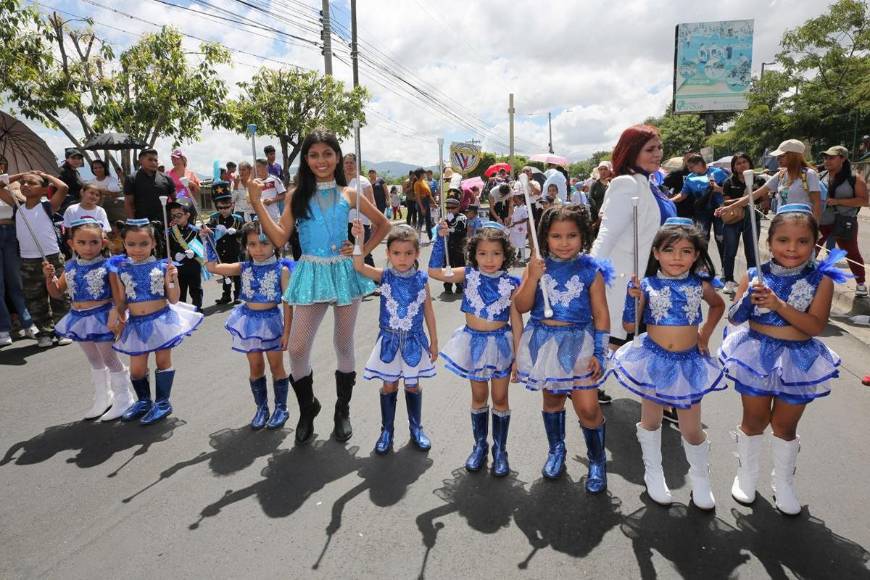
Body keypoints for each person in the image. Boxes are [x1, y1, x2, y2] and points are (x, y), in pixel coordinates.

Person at [247, 129, 390, 445]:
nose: (321, 160)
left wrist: (359, 251)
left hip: (343, 276)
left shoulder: (350, 194)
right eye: (314, 154)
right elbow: (280, 238)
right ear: (306, 160)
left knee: (343, 344)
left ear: (337, 157)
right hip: (310, 273)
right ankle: (307, 408)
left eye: (328, 153)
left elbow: (384, 225)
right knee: (297, 349)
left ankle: (342, 410)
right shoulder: (295, 195)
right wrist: (257, 204)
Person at [719, 204, 849, 515]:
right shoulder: (754, 275)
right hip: (757, 355)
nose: (792, 248)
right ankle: (746, 475)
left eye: (802, 241)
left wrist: (778, 305)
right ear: (769, 242)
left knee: (785, 425)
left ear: (815, 243)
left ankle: (784, 483)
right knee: (754, 420)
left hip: (799, 361)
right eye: (783, 240)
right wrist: (749, 299)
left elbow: (815, 326)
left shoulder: (822, 280)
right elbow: (735, 318)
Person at [613, 218, 726, 509]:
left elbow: (718, 305)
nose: (677, 257)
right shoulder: (647, 285)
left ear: (696, 255)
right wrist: (631, 297)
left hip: (688, 363)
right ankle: (653, 472)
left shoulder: (699, 284)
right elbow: (629, 324)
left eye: (686, 251)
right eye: (669, 250)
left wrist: (704, 334)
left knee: (690, 427)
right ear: (655, 253)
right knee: (652, 420)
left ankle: (700, 478)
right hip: (653, 360)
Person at [514, 206, 613, 492]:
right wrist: (532, 277)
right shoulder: (536, 266)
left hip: (579, 344)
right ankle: (556, 450)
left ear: (584, 235)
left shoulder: (590, 271)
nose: (564, 242)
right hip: (544, 344)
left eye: (572, 235)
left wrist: (600, 352)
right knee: (553, 401)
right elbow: (520, 306)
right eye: (556, 236)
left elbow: (601, 314)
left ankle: (597, 460)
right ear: (545, 236)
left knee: (588, 408)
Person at [428, 221, 523, 476]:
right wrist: (440, 239)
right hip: (474, 344)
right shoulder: (468, 274)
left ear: (506, 255)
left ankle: (500, 450)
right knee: (479, 397)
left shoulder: (512, 283)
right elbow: (435, 272)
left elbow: (516, 320)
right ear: (473, 254)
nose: (489, 259)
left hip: (502, 346)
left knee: (500, 398)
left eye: (496, 253)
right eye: (482, 253)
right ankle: (480, 445)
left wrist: (519, 356)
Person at [591, 124, 676, 405]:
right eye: (650, 149)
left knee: (647, 337)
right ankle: (588, 387)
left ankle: (660, 399)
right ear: (631, 152)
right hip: (625, 277)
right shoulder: (626, 183)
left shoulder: (648, 183)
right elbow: (607, 233)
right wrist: (589, 275)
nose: (658, 153)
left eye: (659, 148)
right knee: (617, 338)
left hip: (653, 274)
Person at [350, 223, 436, 454]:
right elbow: (358, 265)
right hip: (388, 341)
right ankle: (386, 430)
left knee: (412, 383)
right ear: (388, 254)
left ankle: (416, 428)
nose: (402, 258)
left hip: (414, 341)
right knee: (389, 384)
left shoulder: (421, 279)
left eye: (409, 253)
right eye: (396, 253)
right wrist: (358, 240)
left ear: (417, 254)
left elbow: (428, 311)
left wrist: (434, 342)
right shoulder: (384, 276)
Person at [108, 219, 203, 424]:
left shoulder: (163, 266)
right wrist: (117, 315)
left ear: (154, 244)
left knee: (162, 361)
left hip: (161, 321)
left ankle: (162, 402)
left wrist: (173, 278)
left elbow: (174, 298)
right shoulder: (121, 269)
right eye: (131, 244)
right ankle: (143, 401)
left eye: (143, 244)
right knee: (137, 369)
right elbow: (122, 301)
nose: (137, 249)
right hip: (136, 324)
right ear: (124, 244)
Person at [42, 218, 135, 421]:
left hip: (102, 316)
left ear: (102, 243)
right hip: (78, 318)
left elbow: (119, 296)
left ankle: (124, 397)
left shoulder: (108, 266)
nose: (88, 247)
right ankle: (103, 396)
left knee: (109, 358)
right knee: (93, 359)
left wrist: (116, 315)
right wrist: (50, 279)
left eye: (93, 242)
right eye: (82, 242)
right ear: (71, 244)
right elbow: (57, 293)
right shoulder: (70, 266)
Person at [204, 221, 294, 430]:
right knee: (255, 366)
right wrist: (206, 239)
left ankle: (281, 407)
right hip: (249, 323)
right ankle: (261, 408)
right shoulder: (243, 267)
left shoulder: (282, 269)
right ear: (245, 246)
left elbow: (289, 305)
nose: (258, 249)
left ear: (275, 245)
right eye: (252, 244)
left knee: (276, 366)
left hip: (272, 323)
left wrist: (287, 332)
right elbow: (213, 267)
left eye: (264, 243)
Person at [0, 171, 71, 348]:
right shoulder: (18, 207)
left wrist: (45, 174)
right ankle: (45, 331)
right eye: (24, 183)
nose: (25, 185)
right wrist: (21, 175)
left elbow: (63, 187)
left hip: (51, 256)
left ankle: (63, 330)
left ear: (44, 190)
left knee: (59, 295)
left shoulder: (48, 206)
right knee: (35, 298)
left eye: (32, 183)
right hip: (28, 260)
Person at [724, 139, 822, 221]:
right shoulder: (781, 174)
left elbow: (817, 204)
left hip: (803, 224)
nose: (777, 159)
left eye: (781, 156)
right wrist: (730, 207)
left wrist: (814, 229)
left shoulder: (809, 174)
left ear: (793, 155)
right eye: (777, 156)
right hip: (783, 223)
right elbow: (755, 194)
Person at [817, 145, 867, 296]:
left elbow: (864, 201)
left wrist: (838, 201)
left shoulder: (854, 178)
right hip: (822, 222)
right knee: (810, 250)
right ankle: (805, 280)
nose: (827, 160)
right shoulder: (821, 176)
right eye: (825, 157)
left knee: (851, 253)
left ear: (843, 158)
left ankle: (861, 284)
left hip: (844, 221)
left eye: (831, 157)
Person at [720, 153, 768, 295]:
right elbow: (726, 201)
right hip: (733, 220)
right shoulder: (729, 182)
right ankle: (728, 280)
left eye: (744, 162)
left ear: (750, 163)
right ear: (734, 167)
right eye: (738, 163)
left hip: (753, 219)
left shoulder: (759, 180)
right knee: (730, 251)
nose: (741, 165)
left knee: (752, 252)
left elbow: (765, 200)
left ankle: (752, 281)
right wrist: (747, 198)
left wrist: (761, 203)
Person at [0, 167, 36, 346]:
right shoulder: (14, 179)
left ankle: (28, 323)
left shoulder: (14, 183)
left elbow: (22, 204)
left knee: (16, 282)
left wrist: (11, 184)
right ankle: (3, 329)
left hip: (11, 231)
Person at [670, 154, 727, 263]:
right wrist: (668, 201)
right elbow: (683, 195)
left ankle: (725, 269)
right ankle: (702, 266)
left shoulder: (718, 173)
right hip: (702, 212)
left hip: (719, 210)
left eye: (691, 167)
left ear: (700, 163)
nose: (689, 169)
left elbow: (729, 191)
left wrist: (718, 189)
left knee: (721, 239)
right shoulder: (690, 177)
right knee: (702, 239)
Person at [206, 182, 245, 305]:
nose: (223, 210)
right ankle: (226, 295)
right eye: (220, 208)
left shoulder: (237, 219)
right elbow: (209, 230)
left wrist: (236, 232)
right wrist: (208, 229)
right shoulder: (214, 218)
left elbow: (244, 233)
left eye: (226, 207)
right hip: (221, 250)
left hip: (234, 249)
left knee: (237, 273)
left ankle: (238, 295)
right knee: (224, 273)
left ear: (232, 205)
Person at [166, 200, 205, 311]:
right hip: (178, 266)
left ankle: (197, 308)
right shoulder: (169, 232)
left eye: (179, 215)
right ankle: (182, 309)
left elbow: (202, 249)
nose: (175, 218)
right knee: (180, 289)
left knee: (195, 289)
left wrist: (194, 252)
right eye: (173, 216)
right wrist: (174, 254)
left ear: (187, 215)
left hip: (193, 265)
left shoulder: (196, 231)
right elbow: (167, 249)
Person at [124, 149, 175, 224]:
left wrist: (175, 220)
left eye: (155, 160)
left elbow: (175, 200)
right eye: (150, 160)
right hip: (142, 224)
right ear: (141, 161)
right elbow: (129, 203)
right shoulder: (131, 179)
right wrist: (133, 224)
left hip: (165, 224)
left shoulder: (167, 178)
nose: (154, 163)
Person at [345, 154, 376, 268]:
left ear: (356, 164)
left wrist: (374, 222)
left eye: (351, 163)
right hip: (343, 223)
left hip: (361, 223)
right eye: (346, 163)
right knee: (347, 253)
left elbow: (372, 203)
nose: (349, 165)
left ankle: (374, 281)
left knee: (363, 252)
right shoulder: (339, 181)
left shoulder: (363, 181)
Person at [441, 197, 467, 294]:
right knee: (447, 265)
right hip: (448, 245)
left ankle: (459, 286)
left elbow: (461, 231)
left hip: (458, 246)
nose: (450, 210)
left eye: (453, 208)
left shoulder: (462, 218)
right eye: (448, 208)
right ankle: (447, 286)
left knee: (458, 266)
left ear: (458, 208)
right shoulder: (448, 217)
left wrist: (449, 230)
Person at [255, 158, 286, 223]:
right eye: (255, 167)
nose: (256, 169)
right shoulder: (254, 182)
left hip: (273, 216)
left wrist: (272, 200)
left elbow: (283, 195)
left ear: (265, 167)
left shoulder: (274, 179)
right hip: (260, 216)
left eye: (258, 166)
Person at [58, 148, 84, 212]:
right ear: (67, 159)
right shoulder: (62, 171)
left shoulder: (76, 172)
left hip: (76, 203)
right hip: (66, 206)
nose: (77, 160)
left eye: (79, 158)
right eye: (73, 158)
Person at [507, 187, 529, 263]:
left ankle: (522, 258)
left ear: (521, 199)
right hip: (513, 228)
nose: (515, 201)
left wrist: (516, 223)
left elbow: (526, 218)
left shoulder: (524, 208)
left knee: (521, 243)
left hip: (520, 229)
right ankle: (512, 257)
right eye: (514, 199)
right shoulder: (515, 208)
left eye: (516, 199)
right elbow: (511, 216)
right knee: (513, 242)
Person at [414, 168, 434, 243]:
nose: (425, 174)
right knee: (421, 221)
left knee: (428, 221)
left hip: (426, 202)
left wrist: (434, 202)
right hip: (421, 203)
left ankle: (431, 237)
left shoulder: (424, 182)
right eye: (423, 173)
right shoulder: (417, 183)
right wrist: (421, 207)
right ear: (420, 174)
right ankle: (417, 238)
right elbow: (417, 197)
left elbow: (429, 194)